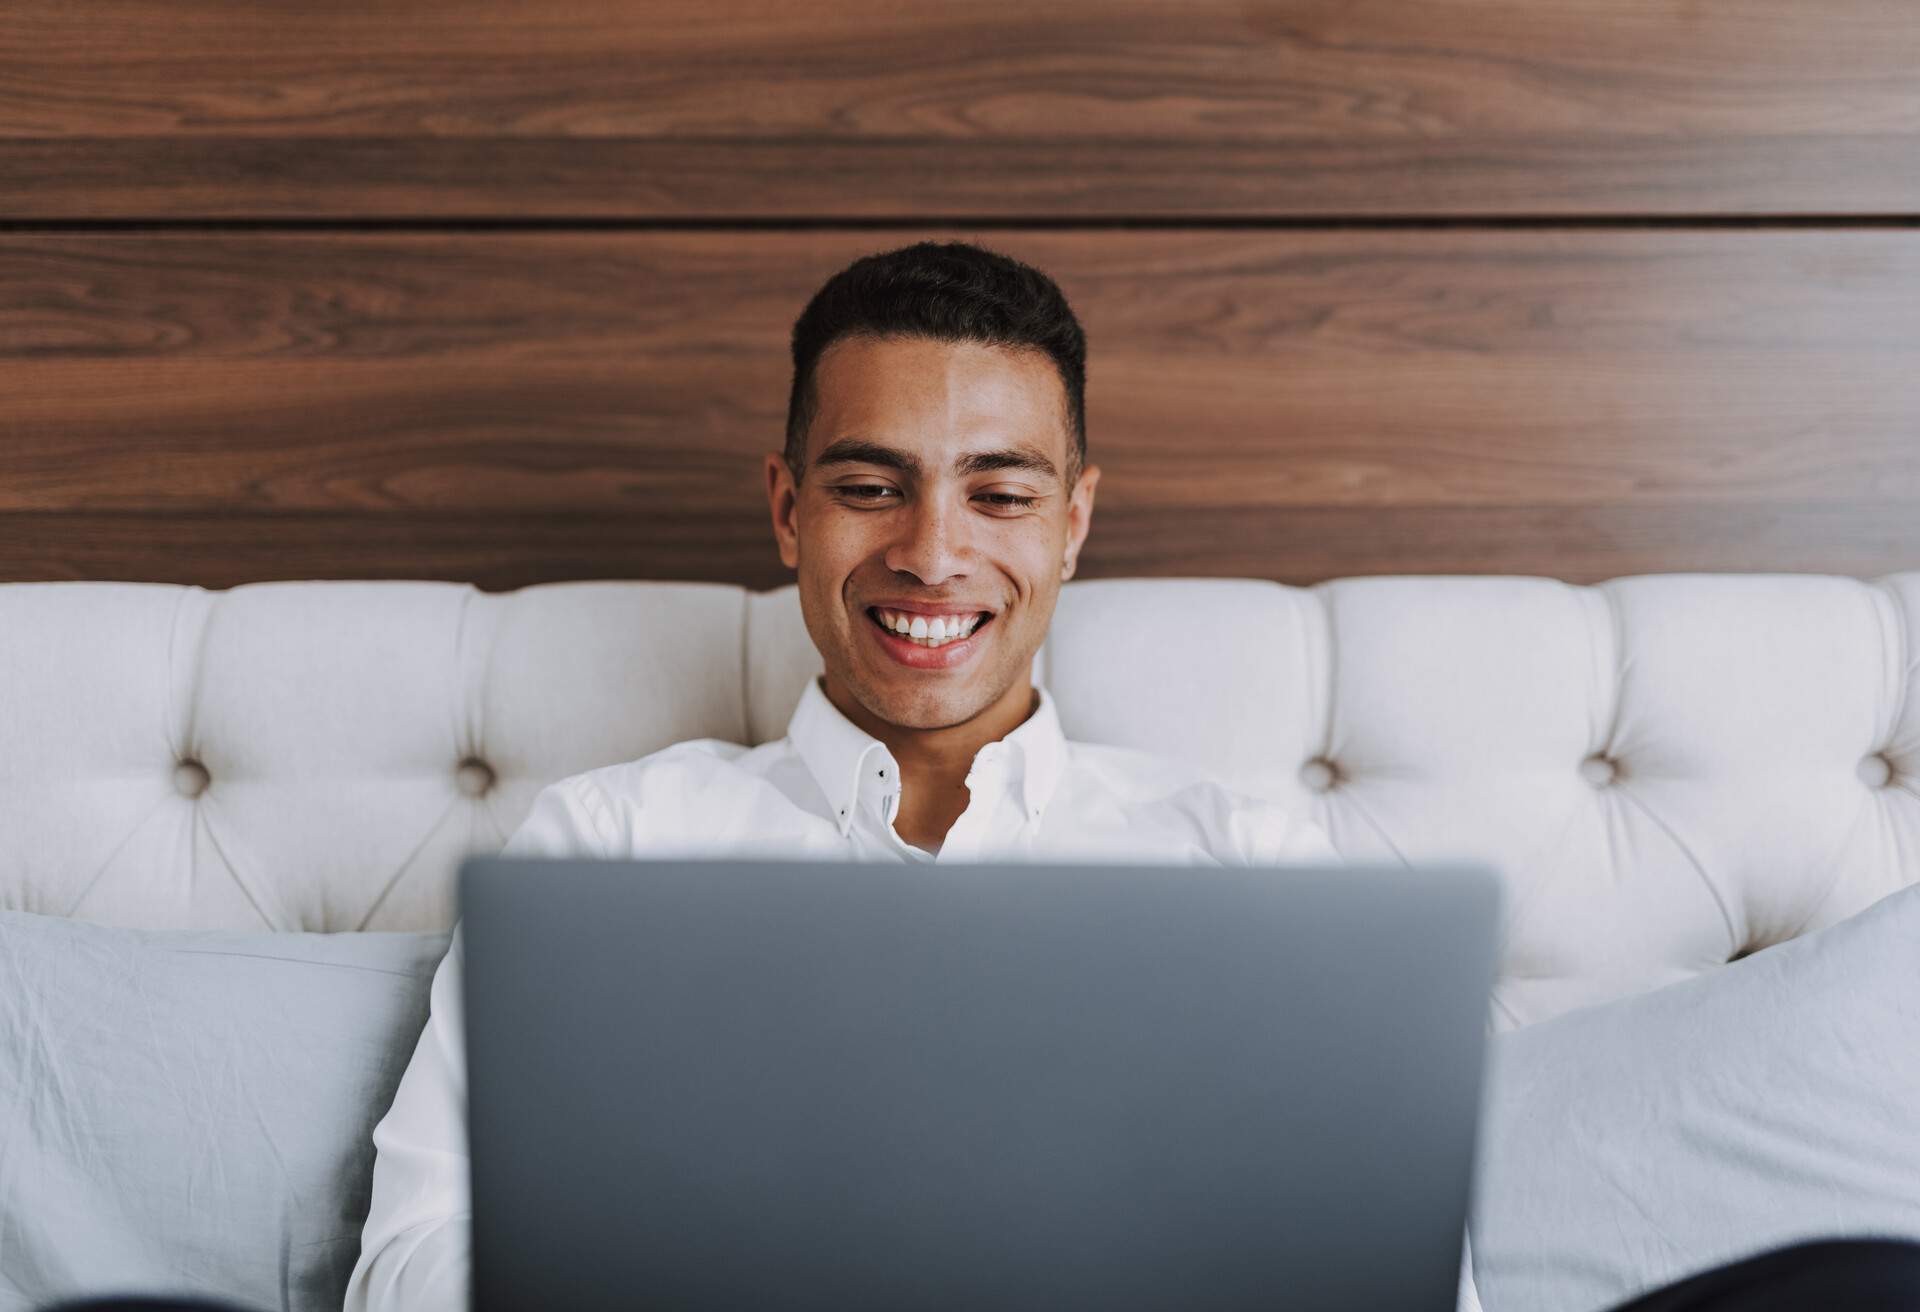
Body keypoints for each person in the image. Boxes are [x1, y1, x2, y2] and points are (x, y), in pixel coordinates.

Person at [342, 240, 1920, 1312]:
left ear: (1077, 521)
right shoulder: (609, 849)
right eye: (869, 486)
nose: (933, 553)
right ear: (786, 510)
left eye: (999, 492)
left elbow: (1417, 1289)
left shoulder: (1241, 863)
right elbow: (405, 1271)